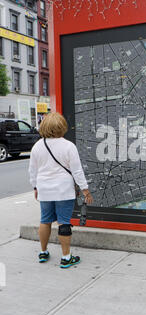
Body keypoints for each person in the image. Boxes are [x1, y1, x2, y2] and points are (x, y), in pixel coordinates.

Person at [29, 112, 93, 269]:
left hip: (44, 189)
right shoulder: (68, 146)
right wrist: (85, 190)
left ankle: (43, 252)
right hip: (64, 190)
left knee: (45, 220)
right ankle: (66, 257)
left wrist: (35, 187)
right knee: (64, 222)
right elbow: (77, 171)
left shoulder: (37, 146)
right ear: (62, 127)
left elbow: (32, 170)